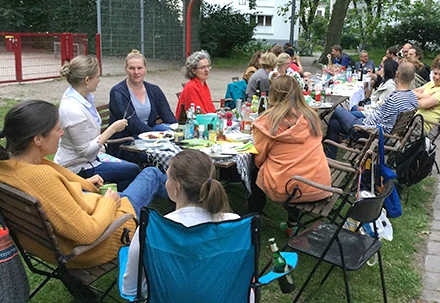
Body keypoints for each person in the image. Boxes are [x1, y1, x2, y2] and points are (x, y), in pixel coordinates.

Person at [0, 100, 169, 269]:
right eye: (57, 129)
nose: (61, 133)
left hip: (48, 246)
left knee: (134, 175)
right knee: (151, 174)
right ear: (37, 139)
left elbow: (56, 198)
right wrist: (110, 203)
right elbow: (88, 233)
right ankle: (183, 208)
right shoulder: (42, 178)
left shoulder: (8, 168)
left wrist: (83, 184)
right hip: (96, 244)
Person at [121, 150, 239, 297]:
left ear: (176, 187)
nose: (165, 181)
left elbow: (131, 290)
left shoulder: (151, 230)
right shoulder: (235, 225)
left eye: (167, 177)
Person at [249, 76, 332, 237]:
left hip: (290, 188)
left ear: (273, 94)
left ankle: (252, 223)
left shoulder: (268, 121)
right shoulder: (310, 116)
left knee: (255, 172)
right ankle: (292, 224)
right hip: (320, 183)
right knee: (297, 166)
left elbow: (258, 159)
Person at [55, 56, 141, 191]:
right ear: (87, 80)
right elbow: (85, 152)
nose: (99, 80)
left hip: (92, 158)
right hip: (77, 167)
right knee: (133, 170)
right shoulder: (73, 111)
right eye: (97, 77)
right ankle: (109, 198)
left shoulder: (79, 95)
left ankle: (108, 195)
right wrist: (112, 129)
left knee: (130, 170)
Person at [326, 62, 419, 159]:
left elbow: (383, 125)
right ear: (413, 77)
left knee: (337, 109)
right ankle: (329, 156)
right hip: (375, 131)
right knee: (333, 123)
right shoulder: (413, 98)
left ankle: (328, 149)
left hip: (367, 132)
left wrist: (364, 125)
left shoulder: (394, 98)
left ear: (397, 74)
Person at [108, 50, 177, 160]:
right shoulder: (118, 92)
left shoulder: (154, 90)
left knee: (173, 135)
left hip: (149, 135)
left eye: (139, 68)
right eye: (132, 68)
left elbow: (169, 117)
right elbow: (132, 122)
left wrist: (178, 133)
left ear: (145, 68)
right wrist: (156, 137)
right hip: (126, 142)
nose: (136, 72)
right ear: (126, 69)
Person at [414, 60, 440, 133]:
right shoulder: (432, 83)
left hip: (420, 126)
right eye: (435, 73)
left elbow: (423, 104)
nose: (436, 77)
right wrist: (424, 96)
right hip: (412, 120)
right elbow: (412, 92)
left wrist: (418, 99)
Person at [176, 51, 216, 118]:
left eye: (208, 66)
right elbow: (195, 115)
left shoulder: (204, 84)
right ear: (193, 71)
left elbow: (210, 110)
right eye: (202, 67)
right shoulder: (191, 87)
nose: (207, 70)